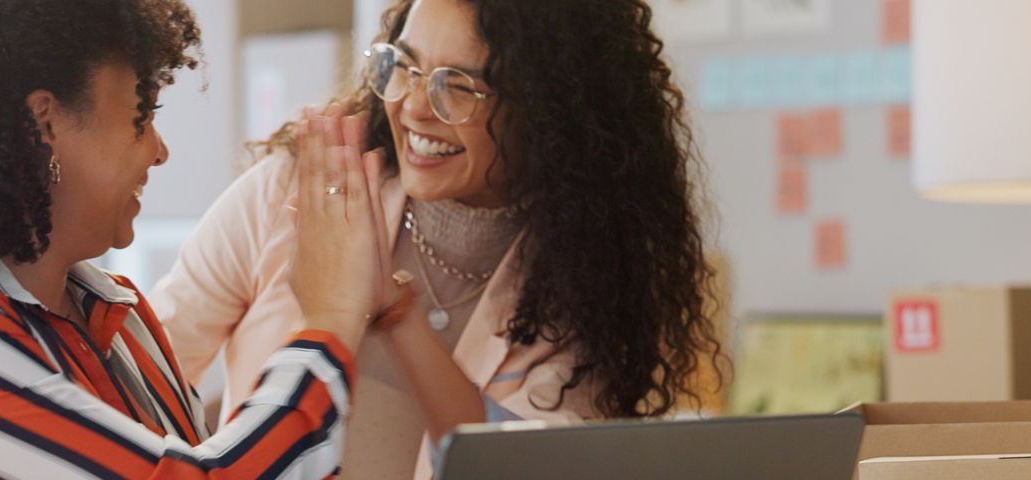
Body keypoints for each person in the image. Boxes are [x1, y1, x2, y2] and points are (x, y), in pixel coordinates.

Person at [0, 0, 398, 477]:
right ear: (45, 124)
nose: (159, 150)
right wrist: (329, 319)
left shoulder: (119, 315)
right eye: (143, 115)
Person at [152, 0, 723, 477]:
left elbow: (520, 468)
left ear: (550, 113)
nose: (414, 106)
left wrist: (399, 319)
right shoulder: (289, 193)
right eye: (405, 66)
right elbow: (142, 374)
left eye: (461, 86)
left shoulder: (589, 278)